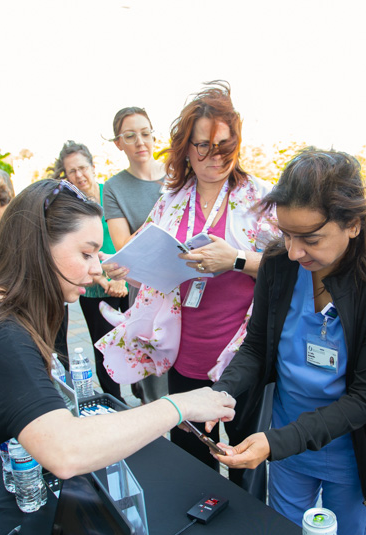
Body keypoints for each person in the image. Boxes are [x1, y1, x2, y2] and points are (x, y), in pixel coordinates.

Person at [0, 178, 235, 535]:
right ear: (38, 245)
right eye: (86, 254)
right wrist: (178, 405)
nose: (96, 270)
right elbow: (67, 452)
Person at [212, 149, 366, 535]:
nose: (293, 252)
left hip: (351, 450)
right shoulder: (278, 264)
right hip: (286, 442)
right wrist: (220, 394)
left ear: (353, 224)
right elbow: (256, 347)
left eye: (310, 238)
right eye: (286, 234)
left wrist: (274, 442)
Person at [99, 82, 277, 496]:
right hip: (184, 354)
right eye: (202, 146)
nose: (215, 157)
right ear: (184, 147)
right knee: (189, 466)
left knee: (246, 467)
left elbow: (289, 266)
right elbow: (141, 257)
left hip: (241, 357)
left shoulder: (259, 198)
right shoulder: (172, 199)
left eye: (224, 146)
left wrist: (233, 259)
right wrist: (119, 269)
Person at [51, 140, 128, 398]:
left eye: (83, 168)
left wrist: (122, 280)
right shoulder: (71, 206)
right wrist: (102, 280)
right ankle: (114, 400)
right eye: (71, 171)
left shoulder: (113, 195)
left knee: (137, 341)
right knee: (104, 349)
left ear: (93, 167)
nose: (79, 175)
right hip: (94, 289)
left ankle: (142, 386)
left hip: (127, 281)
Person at [102, 106, 167, 402]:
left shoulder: (179, 174)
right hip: (144, 293)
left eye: (145, 133)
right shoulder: (114, 187)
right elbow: (125, 248)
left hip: (186, 285)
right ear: (119, 143)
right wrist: (166, 210)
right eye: (130, 136)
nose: (140, 142)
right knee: (155, 383)